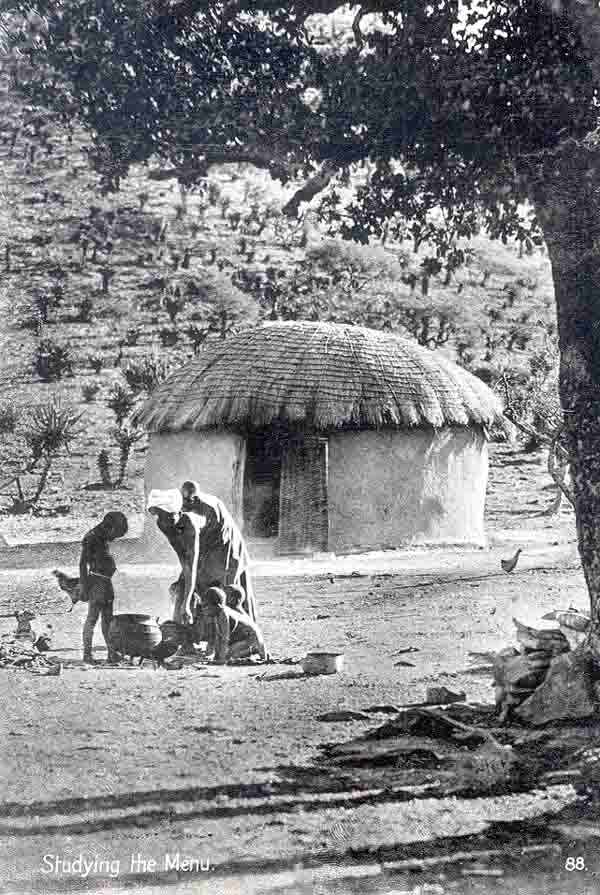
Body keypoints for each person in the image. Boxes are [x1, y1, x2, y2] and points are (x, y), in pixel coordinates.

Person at [149, 481, 256, 629]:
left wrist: (186, 602)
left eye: (170, 516)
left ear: (179, 511)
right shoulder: (164, 522)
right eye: (161, 516)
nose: (166, 521)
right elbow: (184, 558)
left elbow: (191, 565)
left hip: (224, 544)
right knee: (184, 584)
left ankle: (231, 632)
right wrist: (185, 585)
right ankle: (187, 634)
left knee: (220, 591)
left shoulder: (194, 517)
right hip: (204, 541)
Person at [79, 511, 128, 664]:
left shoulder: (101, 537)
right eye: (116, 534)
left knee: (108, 620)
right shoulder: (91, 538)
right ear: (109, 527)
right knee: (93, 618)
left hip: (105, 582)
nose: (114, 538)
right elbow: (83, 564)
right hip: (97, 583)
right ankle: (87, 655)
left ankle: (111, 653)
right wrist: (84, 587)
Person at [201, 587, 268, 665]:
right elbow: (218, 637)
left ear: (217, 605)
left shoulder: (223, 614)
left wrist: (221, 659)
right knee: (226, 653)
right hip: (248, 640)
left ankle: (253, 653)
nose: (203, 610)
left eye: (206, 606)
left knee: (229, 656)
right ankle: (250, 653)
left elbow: (225, 639)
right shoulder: (217, 614)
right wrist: (215, 656)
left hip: (253, 641)